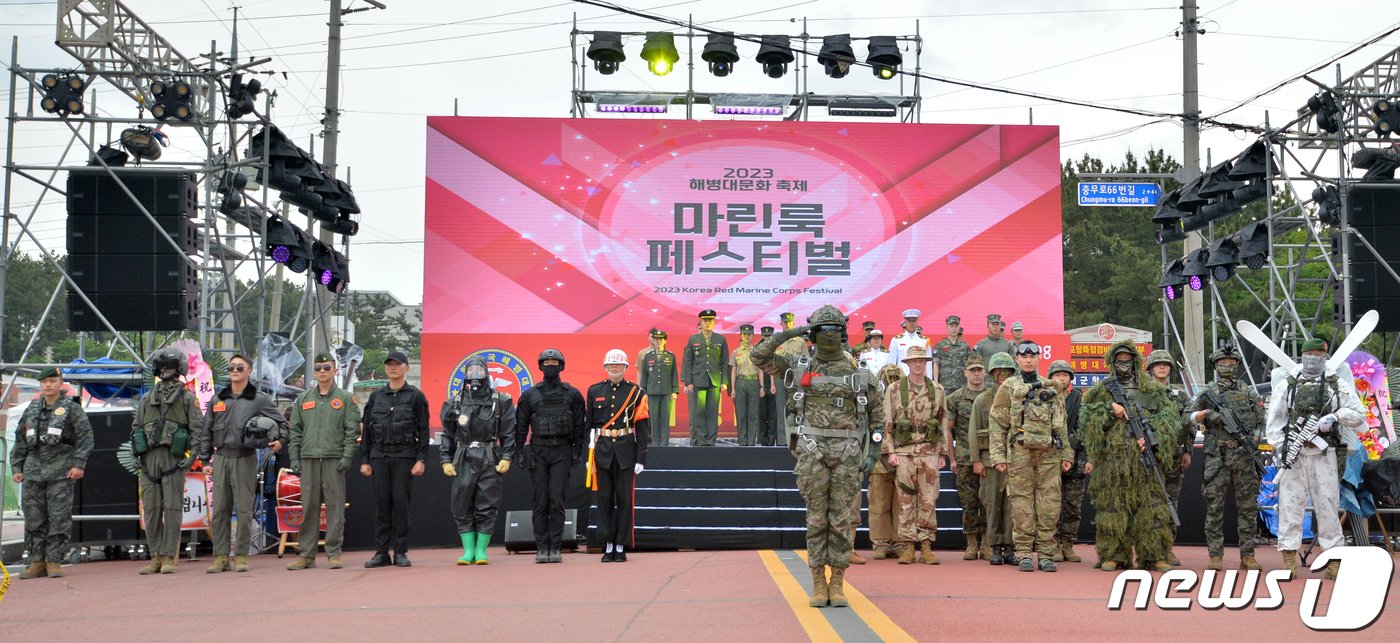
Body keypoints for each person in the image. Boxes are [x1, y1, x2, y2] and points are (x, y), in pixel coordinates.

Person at [751, 305, 884, 608]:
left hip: (848, 454)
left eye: (834, 329)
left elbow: (878, 415)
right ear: (812, 333)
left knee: (840, 519)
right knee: (815, 518)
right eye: (822, 329)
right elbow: (757, 356)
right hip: (812, 453)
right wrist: (792, 333)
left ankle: (837, 582)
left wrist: (873, 452)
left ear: (843, 334)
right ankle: (817, 581)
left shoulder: (858, 371)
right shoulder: (798, 367)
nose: (828, 335)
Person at [1264, 338, 1365, 580]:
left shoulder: (1334, 382)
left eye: (1318, 356)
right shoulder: (1288, 384)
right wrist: (1281, 447)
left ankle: (1333, 559)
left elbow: (1358, 413)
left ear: (1324, 356)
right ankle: (1289, 557)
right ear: (1302, 355)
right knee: (1289, 507)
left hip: (1324, 454)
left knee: (1328, 506)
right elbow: (1275, 420)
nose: (1313, 359)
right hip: (1294, 456)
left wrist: (1336, 417)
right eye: (1309, 355)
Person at [1079, 341, 1176, 572]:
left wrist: (1153, 437)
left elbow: (1170, 419)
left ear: (1135, 361)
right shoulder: (1101, 392)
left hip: (1145, 461)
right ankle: (1114, 555)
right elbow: (1087, 422)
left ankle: (1154, 555)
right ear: (1112, 362)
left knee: (1152, 510)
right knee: (1113, 510)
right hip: (1112, 463)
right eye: (1119, 360)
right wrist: (1109, 409)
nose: (1124, 364)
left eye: (1128, 359)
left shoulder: (1151, 390)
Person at [195, 353, 287, 574]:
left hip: (245, 458)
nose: (234, 371)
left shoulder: (259, 399)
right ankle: (221, 557)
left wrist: (280, 441)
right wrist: (205, 459)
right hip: (221, 458)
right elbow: (205, 431)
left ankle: (242, 556)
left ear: (249, 371)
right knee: (220, 511)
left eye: (240, 367)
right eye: (232, 368)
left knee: (245, 510)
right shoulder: (218, 400)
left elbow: (282, 422)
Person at [989, 342, 1072, 572]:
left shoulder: (1050, 386)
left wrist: (1067, 454)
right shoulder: (1008, 386)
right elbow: (997, 423)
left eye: (1032, 356)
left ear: (1038, 358)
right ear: (1017, 359)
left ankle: (1046, 554)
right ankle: (1024, 552)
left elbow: (1061, 424)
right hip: (1019, 454)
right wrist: (998, 456)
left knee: (1049, 505)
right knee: (1021, 504)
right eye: (1024, 356)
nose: (1028, 360)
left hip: (1049, 454)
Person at [10, 368, 92, 579]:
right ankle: (37, 561)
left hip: (61, 470)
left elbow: (85, 437)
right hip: (33, 471)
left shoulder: (71, 409)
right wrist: (17, 467)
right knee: (34, 518)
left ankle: (54, 560)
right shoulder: (31, 409)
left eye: (52, 381)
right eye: (44, 381)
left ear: (60, 383)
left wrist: (79, 464)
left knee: (58, 517)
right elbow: (20, 439)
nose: (48, 385)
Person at [1187, 346, 1263, 571]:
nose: (1227, 367)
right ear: (1216, 366)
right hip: (1217, 456)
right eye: (1223, 363)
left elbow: (1260, 420)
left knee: (1248, 507)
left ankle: (1247, 555)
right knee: (1214, 507)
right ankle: (1215, 555)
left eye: (1231, 363)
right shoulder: (1207, 393)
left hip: (1244, 456)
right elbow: (1187, 418)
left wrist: (1255, 441)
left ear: (1237, 365)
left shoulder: (1248, 392)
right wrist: (1205, 414)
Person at [285, 352, 361, 571]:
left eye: (326, 368)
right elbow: (295, 431)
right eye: (318, 368)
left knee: (335, 509)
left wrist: (347, 456)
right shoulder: (304, 399)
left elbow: (352, 430)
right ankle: (306, 555)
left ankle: (334, 553)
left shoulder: (346, 399)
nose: (322, 372)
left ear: (335, 370)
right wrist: (294, 458)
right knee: (309, 507)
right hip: (308, 459)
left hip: (333, 458)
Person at [438, 355, 516, 565]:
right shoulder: (454, 402)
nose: (475, 375)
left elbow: (508, 433)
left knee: (487, 504)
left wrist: (507, 457)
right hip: (463, 456)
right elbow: (447, 434)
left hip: (489, 456)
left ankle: (481, 551)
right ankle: (468, 551)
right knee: (461, 504)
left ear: (486, 373)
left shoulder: (500, 401)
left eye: (479, 371)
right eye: (470, 371)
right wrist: (445, 460)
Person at [132, 347, 203, 575]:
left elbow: (197, 431)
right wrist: (137, 455)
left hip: (173, 458)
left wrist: (192, 457)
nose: (165, 372)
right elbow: (137, 428)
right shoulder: (147, 398)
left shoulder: (188, 398)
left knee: (172, 508)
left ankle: (169, 556)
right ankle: (155, 556)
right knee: (151, 509)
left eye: (170, 368)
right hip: (149, 458)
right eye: (162, 368)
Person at [359, 350, 430, 568]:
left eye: (397, 364)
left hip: (404, 456)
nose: (393, 367)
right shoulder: (376, 396)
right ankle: (381, 553)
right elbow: (367, 430)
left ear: (406, 367)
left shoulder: (416, 396)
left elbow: (423, 430)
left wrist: (421, 459)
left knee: (401, 504)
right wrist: (365, 459)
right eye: (389, 364)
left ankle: (400, 552)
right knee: (382, 506)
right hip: (379, 456)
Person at [515, 348, 587, 563]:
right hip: (538, 451)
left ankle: (554, 547)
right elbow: (521, 426)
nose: (550, 365)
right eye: (546, 362)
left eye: (554, 362)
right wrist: (520, 451)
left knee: (556, 500)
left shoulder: (572, 394)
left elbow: (579, 427)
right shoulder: (530, 395)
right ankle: (541, 548)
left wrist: (576, 452)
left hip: (562, 452)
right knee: (540, 501)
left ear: (561, 365)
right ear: (540, 366)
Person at [881, 345, 948, 565]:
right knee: (906, 500)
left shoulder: (937, 390)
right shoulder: (893, 389)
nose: (918, 364)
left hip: (929, 452)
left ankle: (927, 545)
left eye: (922, 361)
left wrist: (943, 452)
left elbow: (942, 421)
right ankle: (908, 546)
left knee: (929, 499)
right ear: (908, 364)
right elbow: (887, 421)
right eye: (914, 361)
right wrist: (889, 450)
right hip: (904, 452)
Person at [587, 350, 650, 562]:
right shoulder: (595, 390)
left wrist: (641, 457)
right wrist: (588, 458)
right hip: (602, 451)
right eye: (611, 366)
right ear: (605, 367)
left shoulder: (636, 392)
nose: (615, 368)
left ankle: (621, 544)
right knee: (604, 499)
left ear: (625, 367)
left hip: (626, 452)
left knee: (624, 500)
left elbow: (642, 427)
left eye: (619, 365)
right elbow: (590, 426)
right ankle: (608, 543)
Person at [1146, 349, 1193, 567]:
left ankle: (1168, 548)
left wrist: (1188, 450)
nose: (1162, 367)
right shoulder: (1143, 393)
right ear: (1151, 369)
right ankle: (1152, 548)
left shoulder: (1180, 395)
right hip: (1151, 457)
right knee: (1152, 503)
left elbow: (1188, 424)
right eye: (1158, 365)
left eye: (1165, 364)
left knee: (1171, 502)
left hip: (1174, 456)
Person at [968, 352, 1015, 564]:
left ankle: (1011, 547)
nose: (1002, 375)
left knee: (1012, 507)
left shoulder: (1019, 396)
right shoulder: (982, 400)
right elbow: (973, 432)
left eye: (1006, 371)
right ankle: (995, 546)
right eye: (998, 371)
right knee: (992, 505)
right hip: (989, 461)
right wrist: (976, 460)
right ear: (992, 374)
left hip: (1015, 460)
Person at [1048, 360, 1090, 563]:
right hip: (1051, 460)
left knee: (1073, 506)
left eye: (1065, 375)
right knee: (1052, 506)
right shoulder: (1045, 401)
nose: (1061, 378)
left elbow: (1089, 433)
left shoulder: (1080, 402)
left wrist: (1089, 458)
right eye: (1057, 375)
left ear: (1070, 379)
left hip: (1077, 460)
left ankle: (1068, 544)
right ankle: (1053, 544)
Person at [946, 355, 987, 560]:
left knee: (988, 501)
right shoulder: (955, 398)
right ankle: (971, 543)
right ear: (965, 373)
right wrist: (951, 458)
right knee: (968, 502)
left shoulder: (992, 396)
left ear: (985, 371)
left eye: (979, 369)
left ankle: (987, 543)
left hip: (988, 457)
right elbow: (948, 430)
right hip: (964, 458)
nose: (976, 373)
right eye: (972, 370)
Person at [681, 309, 730, 446]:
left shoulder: (720, 339)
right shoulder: (693, 339)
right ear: (701, 323)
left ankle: (711, 441)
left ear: (714, 322)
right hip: (698, 381)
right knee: (699, 413)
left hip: (714, 381)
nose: (707, 323)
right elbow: (688, 361)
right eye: (705, 321)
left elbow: (725, 362)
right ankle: (702, 441)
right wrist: (688, 382)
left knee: (713, 413)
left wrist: (724, 381)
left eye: (710, 320)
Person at [638, 329, 678, 447]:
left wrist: (674, 390)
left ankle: (664, 444)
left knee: (665, 419)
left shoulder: (670, 356)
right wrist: (644, 392)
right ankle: (655, 444)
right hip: (652, 392)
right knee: (653, 419)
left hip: (666, 392)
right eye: (656, 339)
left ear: (665, 340)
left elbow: (674, 374)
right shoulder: (648, 356)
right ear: (653, 340)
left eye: (661, 339)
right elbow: (644, 375)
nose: (658, 341)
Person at [730, 324, 762, 446]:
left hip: (754, 382)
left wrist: (762, 386)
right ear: (741, 336)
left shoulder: (757, 351)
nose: (747, 336)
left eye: (749, 334)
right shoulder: (736, 352)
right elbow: (733, 370)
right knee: (741, 414)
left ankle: (751, 442)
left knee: (753, 415)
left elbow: (760, 369)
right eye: (744, 334)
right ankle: (742, 442)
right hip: (741, 382)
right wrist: (732, 388)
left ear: (753, 335)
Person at [933, 315, 971, 393]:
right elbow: (936, 364)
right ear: (947, 327)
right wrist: (936, 383)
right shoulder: (940, 345)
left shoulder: (965, 346)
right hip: (944, 385)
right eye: (951, 326)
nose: (954, 328)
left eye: (956, 326)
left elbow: (969, 365)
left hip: (961, 386)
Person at [889, 309, 932, 379]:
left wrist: (929, 381)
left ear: (917, 321)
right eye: (909, 320)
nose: (912, 323)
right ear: (905, 321)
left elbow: (929, 365)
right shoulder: (896, 340)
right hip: (902, 379)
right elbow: (891, 364)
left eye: (914, 320)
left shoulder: (925, 341)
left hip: (920, 380)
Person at [757, 326, 780, 447]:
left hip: (774, 385)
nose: (767, 339)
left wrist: (773, 385)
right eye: (765, 337)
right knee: (761, 415)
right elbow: (759, 369)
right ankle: (762, 442)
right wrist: (761, 386)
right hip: (761, 385)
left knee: (772, 416)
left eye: (769, 336)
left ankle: (771, 442)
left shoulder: (776, 349)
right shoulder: (758, 350)